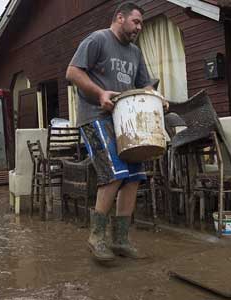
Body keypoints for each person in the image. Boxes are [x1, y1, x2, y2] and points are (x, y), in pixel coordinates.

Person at [66, 2, 168, 261]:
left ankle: (120, 239)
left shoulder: (135, 52)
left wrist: (157, 97)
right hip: (95, 117)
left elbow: (145, 85)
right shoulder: (98, 39)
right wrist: (100, 93)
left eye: (141, 23)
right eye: (135, 21)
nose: (139, 27)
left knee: (134, 176)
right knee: (114, 173)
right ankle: (96, 237)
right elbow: (72, 72)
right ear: (120, 18)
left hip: (125, 121)